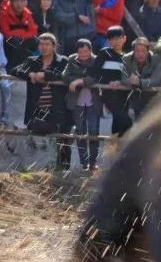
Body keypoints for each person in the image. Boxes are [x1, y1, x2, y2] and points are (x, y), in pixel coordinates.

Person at [12, 32, 71, 169]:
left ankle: (64, 169)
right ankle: (38, 168)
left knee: (63, 138)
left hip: (58, 107)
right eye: (41, 44)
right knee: (38, 137)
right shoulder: (33, 61)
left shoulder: (63, 61)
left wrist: (45, 75)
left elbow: (64, 76)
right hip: (38, 107)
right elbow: (15, 70)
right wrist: (30, 74)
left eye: (47, 44)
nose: (44, 47)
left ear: (54, 46)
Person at [63, 37, 102, 171]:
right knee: (80, 132)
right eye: (81, 52)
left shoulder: (97, 60)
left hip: (93, 102)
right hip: (77, 102)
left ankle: (93, 162)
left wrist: (79, 81)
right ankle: (83, 163)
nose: (83, 55)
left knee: (93, 132)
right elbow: (65, 76)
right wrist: (77, 80)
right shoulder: (72, 59)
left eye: (86, 52)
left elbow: (96, 77)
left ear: (90, 50)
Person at [122, 36, 161, 121]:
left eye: (143, 51)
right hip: (134, 94)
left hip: (152, 95)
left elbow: (156, 79)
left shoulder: (156, 59)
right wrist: (131, 81)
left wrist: (140, 82)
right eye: (137, 51)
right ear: (133, 51)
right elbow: (123, 78)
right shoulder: (126, 58)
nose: (140, 54)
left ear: (148, 51)